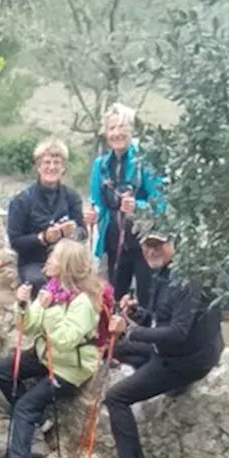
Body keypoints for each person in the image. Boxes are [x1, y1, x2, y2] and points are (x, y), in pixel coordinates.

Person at [106, 227, 224, 458]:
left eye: (157, 245)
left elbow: (178, 333)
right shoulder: (164, 274)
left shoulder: (187, 281)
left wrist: (133, 331)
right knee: (114, 347)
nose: (150, 250)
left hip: (186, 360)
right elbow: (159, 319)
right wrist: (137, 314)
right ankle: (153, 377)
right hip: (173, 350)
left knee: (116, 397)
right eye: (147, 245)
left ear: (174, 245)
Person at [0, 240, 105, 458]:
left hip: (69, 368)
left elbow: (64, 340)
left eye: (54, 257)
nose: (48, 260)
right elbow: (27, 327)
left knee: (25, 406)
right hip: (47, 356)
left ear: (66, 266)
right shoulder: (52, 289)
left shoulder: (82, 303)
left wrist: (47, 308)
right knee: (2, 369)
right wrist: (23, 305)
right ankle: (35, 421)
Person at [87, 102, 166, 307]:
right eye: (112, 128)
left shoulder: (145, 161)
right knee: (110, 297)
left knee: (146, 300)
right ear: (105, 132)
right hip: (113, 242)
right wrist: (93, 213)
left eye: (122, 127)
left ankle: (144, 336)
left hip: (145, 244)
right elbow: (97, 201)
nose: (116, 133)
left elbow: (161, 202)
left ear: (131, 130)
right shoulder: (100, 165)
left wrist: (138, 207)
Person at [6, 138, 87, 293]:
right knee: (41, 283)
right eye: (47, 162)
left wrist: (71, 232)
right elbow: (15, 241)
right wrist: (43, 238)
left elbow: (83, 235)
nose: (51, 167)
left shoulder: (72, 197)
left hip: (66, 263)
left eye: (57, 163)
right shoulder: (22, 200)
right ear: (38, 166)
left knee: (83, 286)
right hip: (34, 262)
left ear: (63, 167)